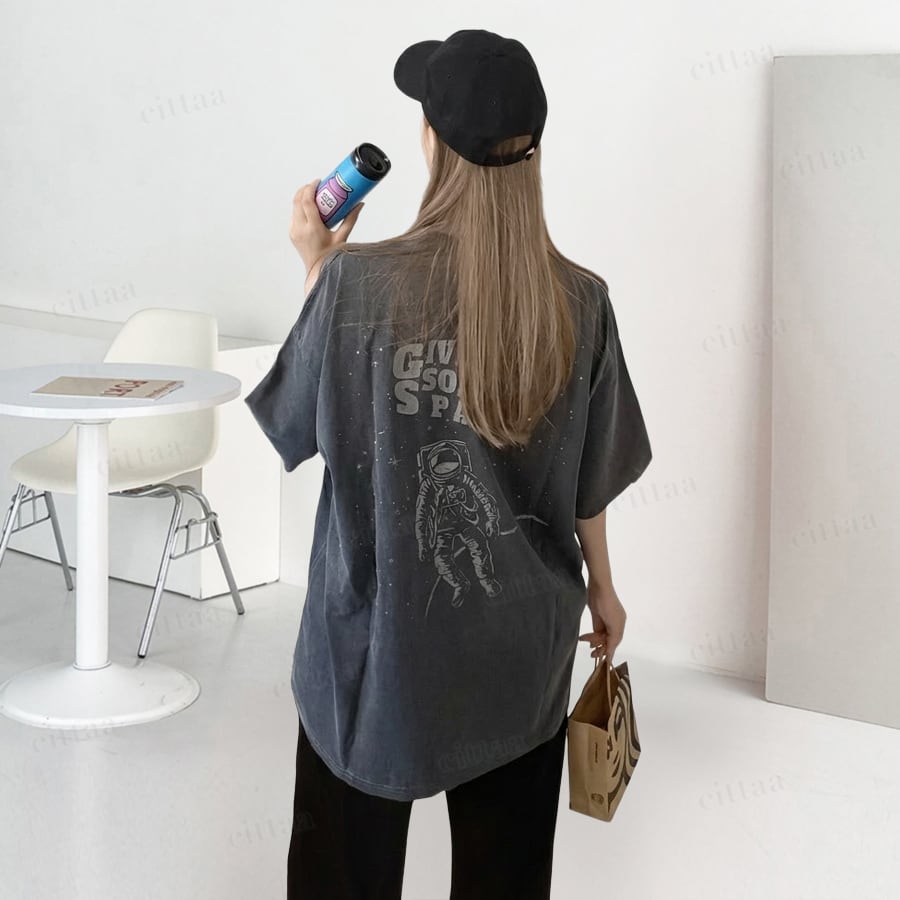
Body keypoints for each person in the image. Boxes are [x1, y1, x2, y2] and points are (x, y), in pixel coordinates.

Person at [244, 28, 652, 900]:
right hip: (520, 653)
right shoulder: (582, 303)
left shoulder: (355, 286)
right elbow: (590, 482)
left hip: (373, 648)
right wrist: (605, 589)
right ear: (532, 154)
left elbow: (294, 426)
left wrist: (316, 267)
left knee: (340, 880)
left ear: (430, 142)